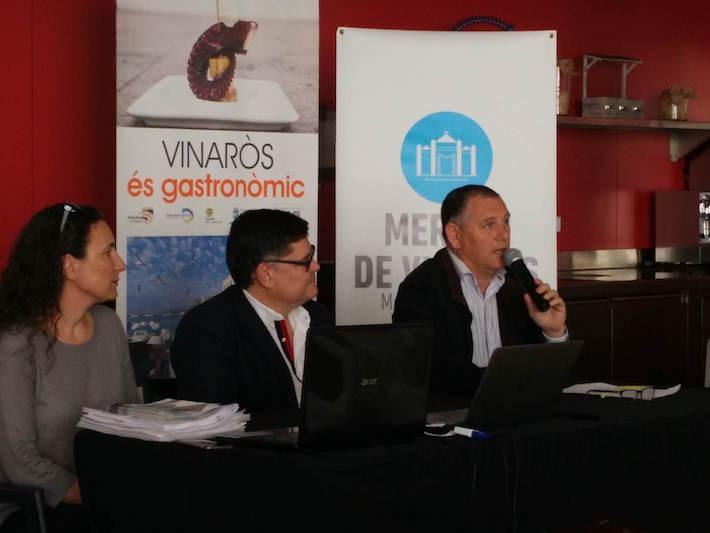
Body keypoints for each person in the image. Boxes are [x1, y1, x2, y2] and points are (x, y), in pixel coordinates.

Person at [0, 203, 137, 533]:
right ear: (69, 266)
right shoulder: (16, 344)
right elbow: (20, 464)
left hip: (106, 499)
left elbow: (134, 421)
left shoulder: (109, 326)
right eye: (107, 252)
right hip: (35, 510)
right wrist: (106, 495)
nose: (120, 263)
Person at [393, 185, 568, 396]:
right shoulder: (421, 289)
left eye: (506, 222)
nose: (503, 235)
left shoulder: (519, 284)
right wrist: (506, 383)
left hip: (516, 408)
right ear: (455, 235)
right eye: (489, 225)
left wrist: (553, 332)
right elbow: (426, 378)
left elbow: (545, 377)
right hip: (453, 412)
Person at [171, 209, 331, 413]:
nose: (316, 266)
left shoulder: (318, 316)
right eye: (306, 261)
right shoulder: (207, 329)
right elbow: (216, 420)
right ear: (266, 274)